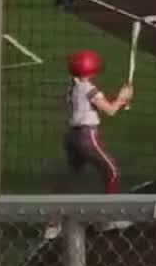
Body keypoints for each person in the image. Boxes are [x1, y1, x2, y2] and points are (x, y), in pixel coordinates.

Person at [45, 50, 134, 240]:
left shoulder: (72, 88)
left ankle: (53, 224)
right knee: (111, 171)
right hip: (87, 136)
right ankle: (108, 219)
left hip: (71, 137)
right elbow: (110, 110)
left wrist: (121, 100)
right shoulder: (88, 88)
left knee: (69, 178)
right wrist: (122, 97)